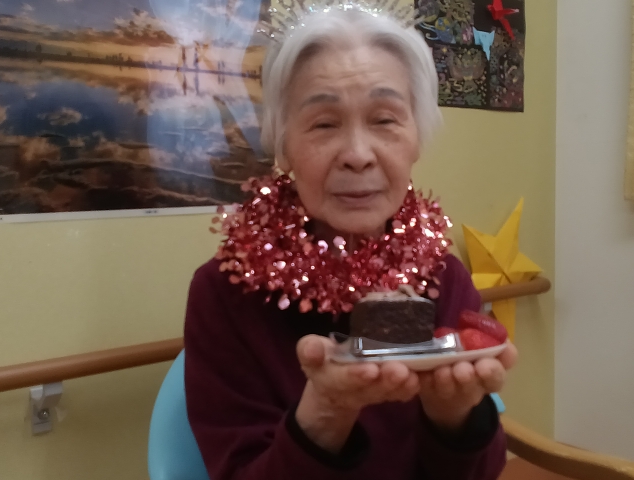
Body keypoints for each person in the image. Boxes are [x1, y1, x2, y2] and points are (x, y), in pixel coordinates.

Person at [184, 6, 517, 480]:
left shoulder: (443, 278)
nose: (358, 155)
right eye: (324, 124)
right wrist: (327, 411)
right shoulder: (224, 293)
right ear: (283, 146)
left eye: (384, 119)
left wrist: (454, 415)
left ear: (416, 139)